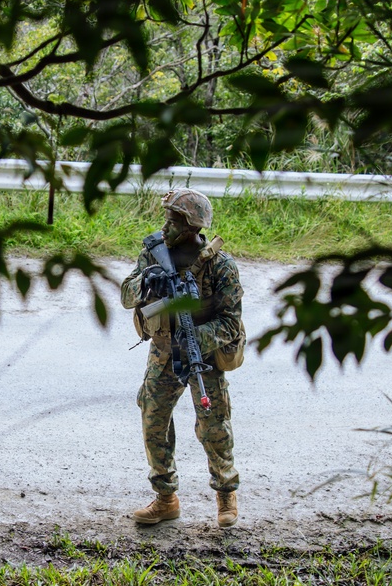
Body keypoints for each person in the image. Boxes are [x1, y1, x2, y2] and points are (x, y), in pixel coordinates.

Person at [120, 188, 244, 528]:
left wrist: (196, 338)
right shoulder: (155, 253)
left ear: (192, 227)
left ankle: (225, 493)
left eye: (174, 221)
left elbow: (231, 323)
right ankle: (165, 499)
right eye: (167, 218)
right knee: (153, 419)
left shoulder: (220, 266)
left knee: (213, 425)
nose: (166, 226)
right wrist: (147, 282)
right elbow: (126, 295)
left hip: (202, 353)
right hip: (163, 351)